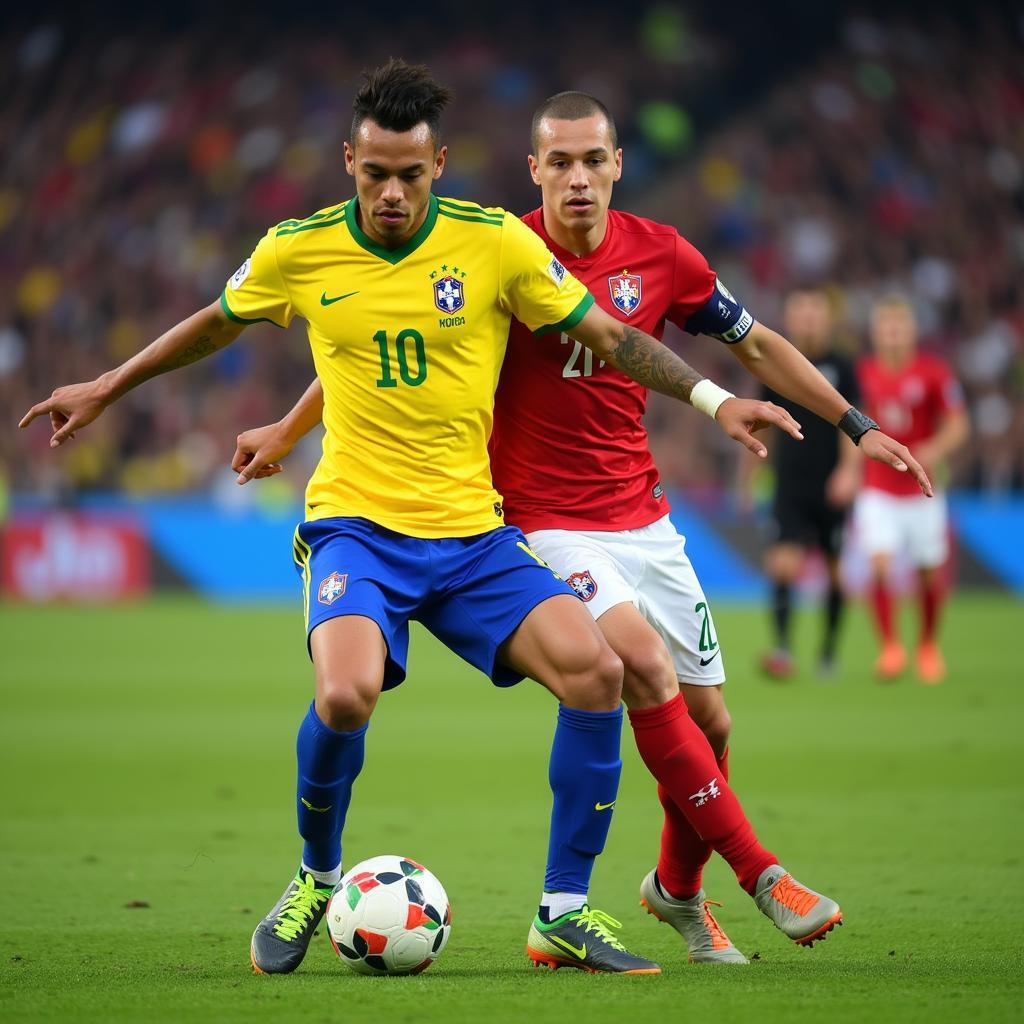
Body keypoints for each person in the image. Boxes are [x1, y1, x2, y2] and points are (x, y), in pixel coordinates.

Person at [18, 61, 823, 978]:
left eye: (410, 174)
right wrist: (108, 387)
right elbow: (214, 322)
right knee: (345, 693)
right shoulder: (299, 248)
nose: (392, 193)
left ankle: (565, 910)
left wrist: (718, 402)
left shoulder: (494, 245)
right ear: (348, 163)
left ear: (439, 163)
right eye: (374, 175)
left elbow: (611, 337)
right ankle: (316, 876)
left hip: (476, 536)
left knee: (597, 674)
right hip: (357, 530)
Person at [232, 89, 932, 966]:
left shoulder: (662, 255)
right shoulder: (498, 248)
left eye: (591, 161)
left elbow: (755, 345)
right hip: (536, 520)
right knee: (632, 665)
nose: (576, 179)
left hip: (642, 515)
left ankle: (677, 891)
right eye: (557, 162)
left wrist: (857, 425)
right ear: (535, 170)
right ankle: (761, 873)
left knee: (710, 726)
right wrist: (290, 433)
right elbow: (370, 343)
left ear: (616, 166)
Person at [855, 296, 968, 683]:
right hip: (877, 487)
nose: (892, 334)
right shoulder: (864, 373)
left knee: (927, 573)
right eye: (886, 327)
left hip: (922, 488)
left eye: (899, 326)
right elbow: (848, 425)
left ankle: (927, 645)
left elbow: (958, 424)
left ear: (912, 331)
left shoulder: (934, 372)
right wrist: (844, 469)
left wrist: (933, 449)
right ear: (875, 333)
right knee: (880, 564)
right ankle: (890, 647)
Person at [757, 289, 861, 679]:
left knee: (835, 570)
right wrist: (749, 477)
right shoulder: (775, 362)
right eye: (800, 309)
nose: (808, 317)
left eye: (815, 310)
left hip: (830, 482)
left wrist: (849, 472)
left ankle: (828, 653)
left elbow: (854, 422)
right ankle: (783, 649)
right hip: (789, 484)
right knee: (782, 566)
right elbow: (763, 422)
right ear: (789, 315)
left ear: (827, 317)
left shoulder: (843, 366)